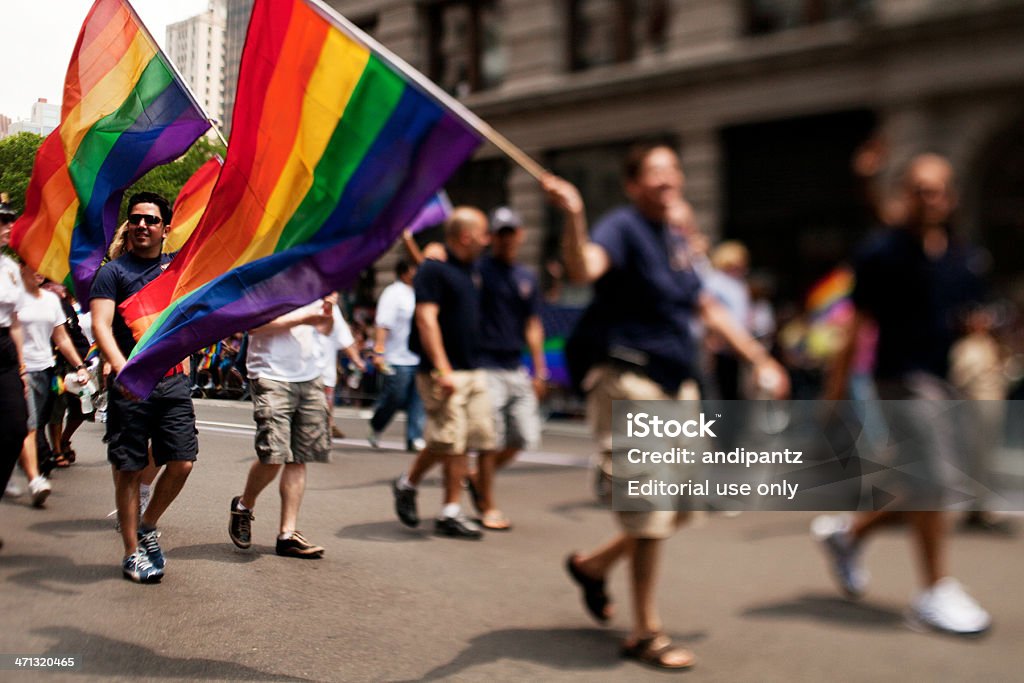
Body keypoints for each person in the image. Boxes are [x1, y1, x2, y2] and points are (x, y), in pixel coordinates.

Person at [543, 143, 788, 670]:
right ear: (633, 185)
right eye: (653, 173)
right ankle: (646, 633)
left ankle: (594, 566)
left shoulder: (675, 238)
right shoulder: (623, 228)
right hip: (632, 383)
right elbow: (584, 268)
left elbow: (705, 304)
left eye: (671, 170)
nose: (665, 180)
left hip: (680, 386)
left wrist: (758, 356)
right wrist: (575, 217)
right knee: (652, 511)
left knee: (680, 507)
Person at [817, 153, 992, 636]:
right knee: (936, 479)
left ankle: (846, 535)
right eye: (918, 189)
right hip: (899, 380)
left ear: (950, 198)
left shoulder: (959, 256)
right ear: (904, 195)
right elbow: (854, 327)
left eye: (936, 190)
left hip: (941, 379)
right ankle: (933, 591)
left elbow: (965, 318)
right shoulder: (881, 253)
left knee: (920, 484)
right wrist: (833, 395)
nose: (927, 198)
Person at [91, 192, 198, 583]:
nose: (142, 225)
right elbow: (101, 325)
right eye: (135, 219)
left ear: (165, 229)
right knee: (129, 469)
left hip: (172, 382)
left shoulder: (177, 270)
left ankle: (148, 524)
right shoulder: (113, 273)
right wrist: (123, 369)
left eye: (151, 220)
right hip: (129, 386)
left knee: (182, 460)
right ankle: (132, 551)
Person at [390, 206, 495, 539]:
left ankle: (425, 494)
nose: (487, 240)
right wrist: (442, 367)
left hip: (472, 369)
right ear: (465, 236)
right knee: (450, 442)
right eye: (483, 233)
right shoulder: (433, 271)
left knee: (464, 441)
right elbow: (426, 319)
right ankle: (441, 504)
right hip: (443, 372)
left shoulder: (471, 270)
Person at [228, 297, 334, 559]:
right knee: (273, 455)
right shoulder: (268, 274)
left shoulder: (319, 280)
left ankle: (288, 535)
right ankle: (244, 505)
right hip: (270, 373)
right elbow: (253, 326)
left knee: (300, 457)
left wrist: (328, 313)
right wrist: (303, 318)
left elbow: (326, 330)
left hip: (309, 376)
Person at [466, 206, 547, 531]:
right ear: (491, 238)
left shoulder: (526, 277)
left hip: (515, 367)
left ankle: (476, 478)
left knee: (523, 437)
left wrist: (540, 370)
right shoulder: (478, 271)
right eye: (500, 233)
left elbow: (533, 324)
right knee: (489, 439)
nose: (506, 239)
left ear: (520, 235)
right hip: (485, 365)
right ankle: (487, 505)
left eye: (510, 232)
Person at [17, 264, 91, 507]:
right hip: (19, 370)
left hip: (46, 370)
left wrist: (79, 366)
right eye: (33, 265)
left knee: (38, 422)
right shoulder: (12, 297)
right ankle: (35, 478)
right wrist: (17, 366)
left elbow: (61, 337)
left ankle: (29, 463)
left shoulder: (51, 300)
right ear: (21, 268)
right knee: (29, 425)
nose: (39, 270)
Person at [368, 259, 425, 451]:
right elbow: (383, 323)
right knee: (396, 396)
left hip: (419, 356)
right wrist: (379, 350)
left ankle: (414, 436)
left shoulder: (421, 291)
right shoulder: (393, 293)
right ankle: (377, 424)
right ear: (406, 271)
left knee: (419, 399)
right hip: (396, 356)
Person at [0, 202, 30, 547]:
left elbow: (16, 321)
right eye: (4, 220)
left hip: (4, 351)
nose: (10, 225)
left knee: (14, 426)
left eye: (12, 219)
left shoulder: (10, 268)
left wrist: (21, 368)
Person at [317, 293, 364, 440]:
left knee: (326, 398)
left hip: (324, 366)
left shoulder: (333, 307)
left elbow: (342, 334)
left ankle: (328, 424)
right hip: (299, 368)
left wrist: (356, 359)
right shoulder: (301, 302)